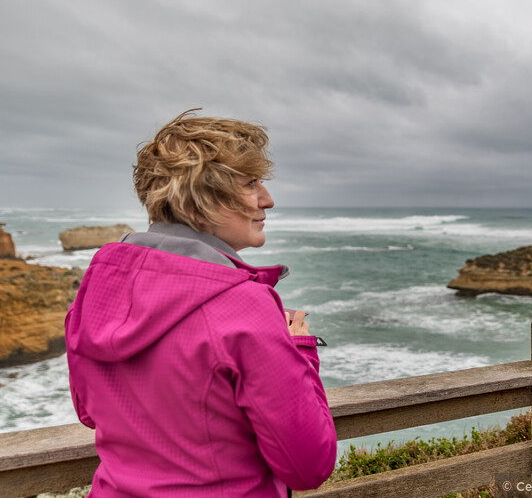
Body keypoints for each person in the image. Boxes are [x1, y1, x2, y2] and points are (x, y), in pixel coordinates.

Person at [65, 111, 337, 497]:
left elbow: (90, 414)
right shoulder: (245, 306)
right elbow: (308, 466)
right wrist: (299, 350)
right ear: (199, 202)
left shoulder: (97, 292)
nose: (268, 199)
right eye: (250, 184)